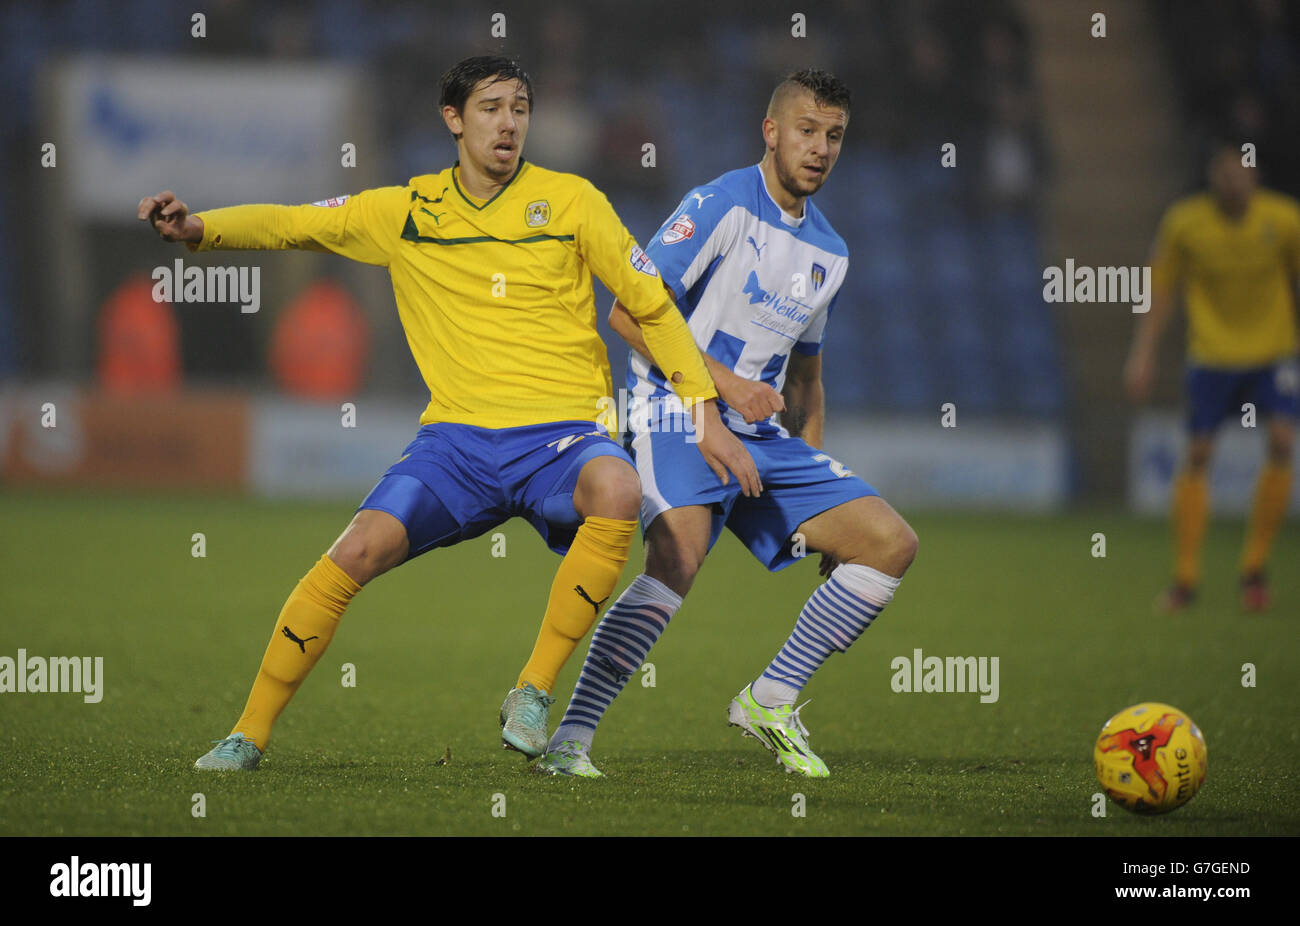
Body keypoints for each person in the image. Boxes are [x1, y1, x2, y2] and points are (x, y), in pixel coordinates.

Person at [137, 55, 758, 770]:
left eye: (520, 107)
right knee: (352, 553)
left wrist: (704, 414)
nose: (509, 122)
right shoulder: (407, 211)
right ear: (453, 120)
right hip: (456, 446)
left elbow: (652, 305)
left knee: (617, 489)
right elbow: (295, 225)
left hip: (562, 439)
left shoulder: (573, 201)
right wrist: (196, 230)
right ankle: (247, 733)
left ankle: (533, 690)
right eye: (491, 107)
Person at [538, 68, 918, 779]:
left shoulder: (830, 253)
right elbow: (626, 313)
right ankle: (569, 742)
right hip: (671, 411)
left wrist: (816, 502)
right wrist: (724, 391)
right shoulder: (717, 205)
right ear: (770, 133)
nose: (821, 148)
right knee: (677, 556)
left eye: (834, 136)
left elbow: (806, 379)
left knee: (888, 544)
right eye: (806, 131)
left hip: (759, 434)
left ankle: (770, 697)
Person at [1125, 143, 1298, 613]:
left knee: (1282, 441)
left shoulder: (1284, 220)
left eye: (1242, 174)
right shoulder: (1185, 223)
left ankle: (1255, 569)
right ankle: (1185, 578)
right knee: (1198, 453)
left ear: (1256, 177)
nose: (1234, 183)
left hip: (1274, 353)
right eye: (1225, 174)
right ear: (1213, 179)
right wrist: (1143, 354)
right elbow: (1160, 289)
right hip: (1212, 355)